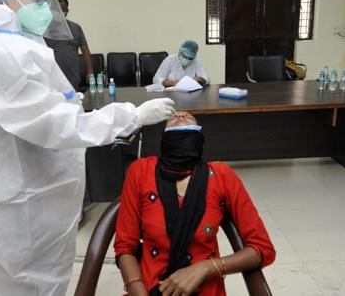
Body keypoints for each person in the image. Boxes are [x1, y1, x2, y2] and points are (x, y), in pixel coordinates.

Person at [0, 0, 175, 296]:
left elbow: (17, 107)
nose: (45, 7)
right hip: (17, 205)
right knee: (31, 284)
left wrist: (64, 100)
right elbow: (50, 124)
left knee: (4, 280)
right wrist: (130, 116)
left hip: (2, 195)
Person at [115, 111, 275, 295]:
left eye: (188, 116)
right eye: (173, 117)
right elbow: (125, 245)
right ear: (163, 137)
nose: (181, 114)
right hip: (147, 288)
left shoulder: (221, 176)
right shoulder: (141, 171)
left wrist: (207, 268)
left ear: (199, 137)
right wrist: (136, 287)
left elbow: (263, 249)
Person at [44, 0, 93, 91]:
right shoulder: (44, 29)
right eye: (56, 10)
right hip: (52, 74)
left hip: (72, 75)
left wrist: (90, 70)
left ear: (67, 11)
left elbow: (85, 50)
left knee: (73, 101)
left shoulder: (75, 27)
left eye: (62, 11)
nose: (59, 14)